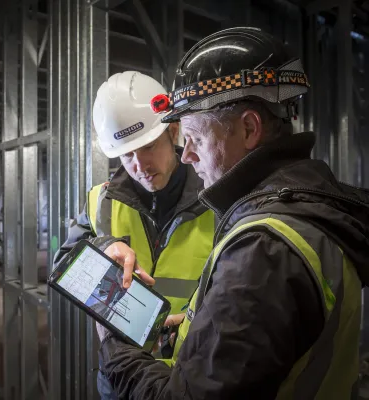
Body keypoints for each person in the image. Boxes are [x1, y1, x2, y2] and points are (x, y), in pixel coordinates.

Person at [96, 27, 369, 399]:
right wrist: (196, 329)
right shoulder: (306, 207)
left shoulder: (264, 250)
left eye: (195, 137)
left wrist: (114, 342)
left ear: (249, 128)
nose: (188, 156)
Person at [53, 71, 215, 398]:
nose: (139, 164)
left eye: (148, 146)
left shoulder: (216, 200)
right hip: (119, 375)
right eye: (127, 154)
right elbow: (64, 259)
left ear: (173, 132)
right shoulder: (102, 200)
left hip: (190, 373)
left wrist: (197, 320)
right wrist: (104, 245)